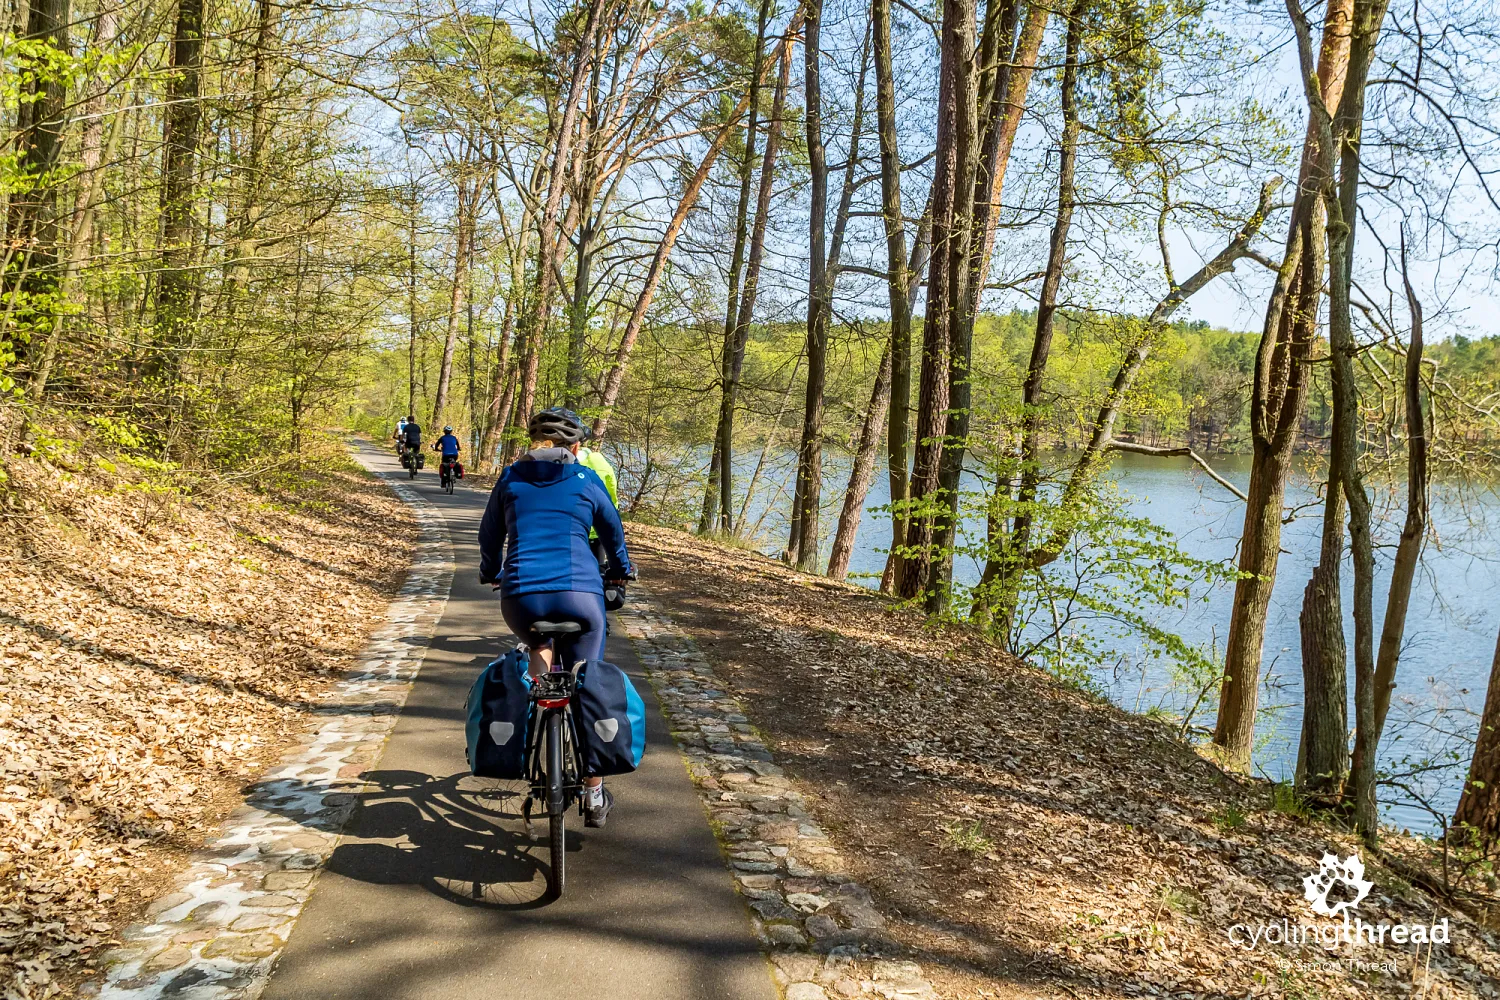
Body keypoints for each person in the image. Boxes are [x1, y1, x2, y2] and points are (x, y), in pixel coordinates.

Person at [478, 406, 633, 827]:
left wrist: (490, 570)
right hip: (581, 596)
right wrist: (620, 572)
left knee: (539, 651)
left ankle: (529, 746)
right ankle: (594, 790)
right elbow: (613, 531)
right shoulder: (587, 478)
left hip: (522, 597)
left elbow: (489, 533)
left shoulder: (510, 477)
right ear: (576, 447)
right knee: (588, 678)